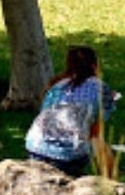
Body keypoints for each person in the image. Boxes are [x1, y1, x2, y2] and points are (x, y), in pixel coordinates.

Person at [25, 45, 118, 177]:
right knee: (98, 140)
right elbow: (94, 130)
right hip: (68, 156)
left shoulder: (56, 86)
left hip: (35, 148)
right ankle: (109, 181)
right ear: (94, 65)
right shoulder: (99, 87)